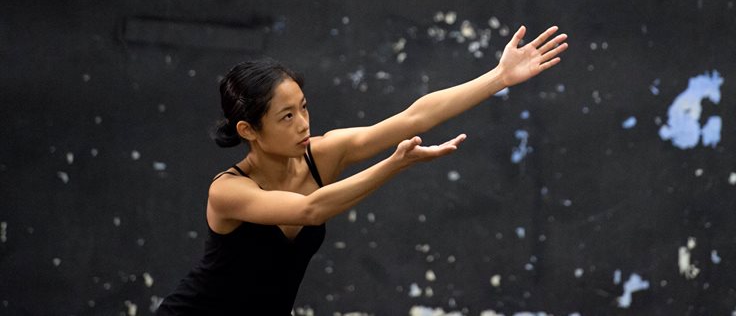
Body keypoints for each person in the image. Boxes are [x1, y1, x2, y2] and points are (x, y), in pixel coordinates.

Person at [157, 24, 568, 315]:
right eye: (286, 116)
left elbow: (414, 118)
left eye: (304, 107)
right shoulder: (227, 191)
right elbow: (310, 210)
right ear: (249, 130)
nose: (303, 123)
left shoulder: (322, 154)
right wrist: (394, 165)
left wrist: (498, 77)